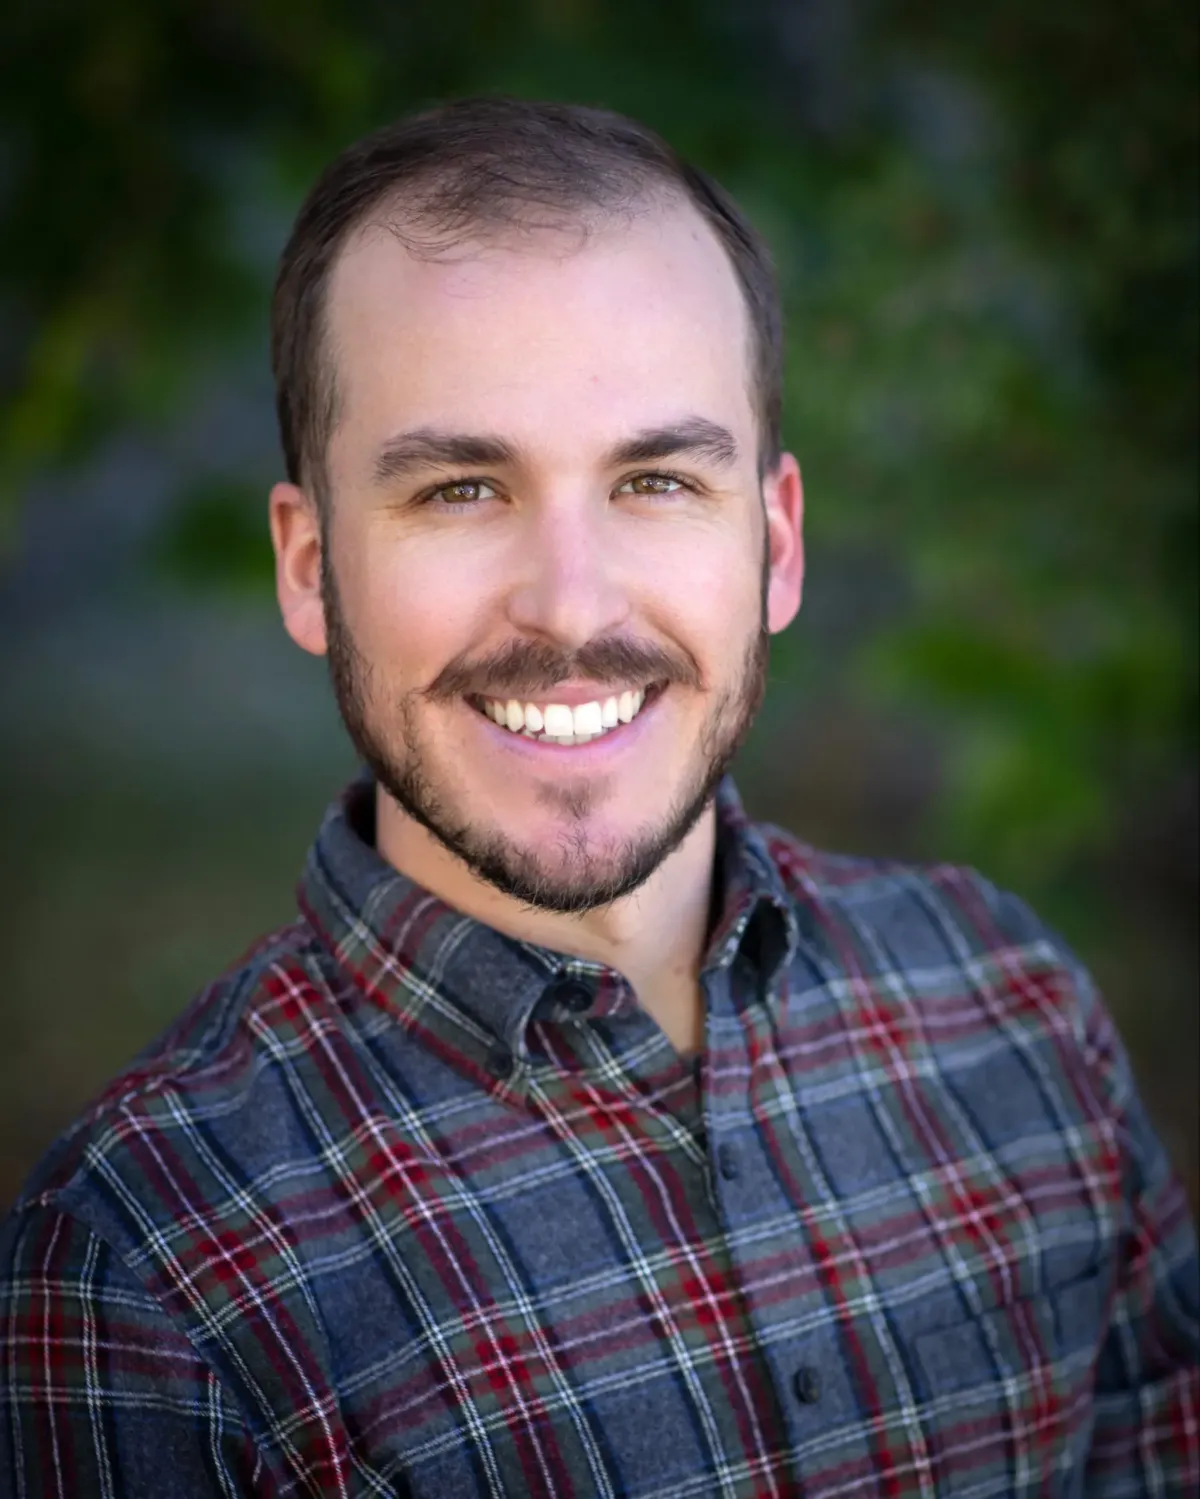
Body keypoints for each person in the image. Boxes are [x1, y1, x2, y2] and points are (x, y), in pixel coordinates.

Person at [1, 97, 1196, 1499]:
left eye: (656, 479)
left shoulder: (1013, 1010)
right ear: (311, 567)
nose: (570, 608)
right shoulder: (145, 1271)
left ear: (776, 542)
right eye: (461, 490)